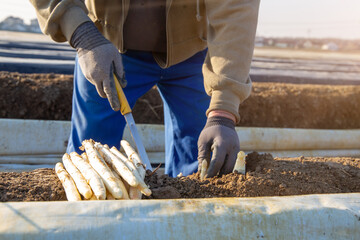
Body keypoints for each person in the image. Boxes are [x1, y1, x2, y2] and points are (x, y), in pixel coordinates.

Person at [30, 0, 260, 178]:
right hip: (105, 48)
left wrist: (223, 111)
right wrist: (82, 35)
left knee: (203, 160)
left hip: (192, 54)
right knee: (91, 161)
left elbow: (236, 10)